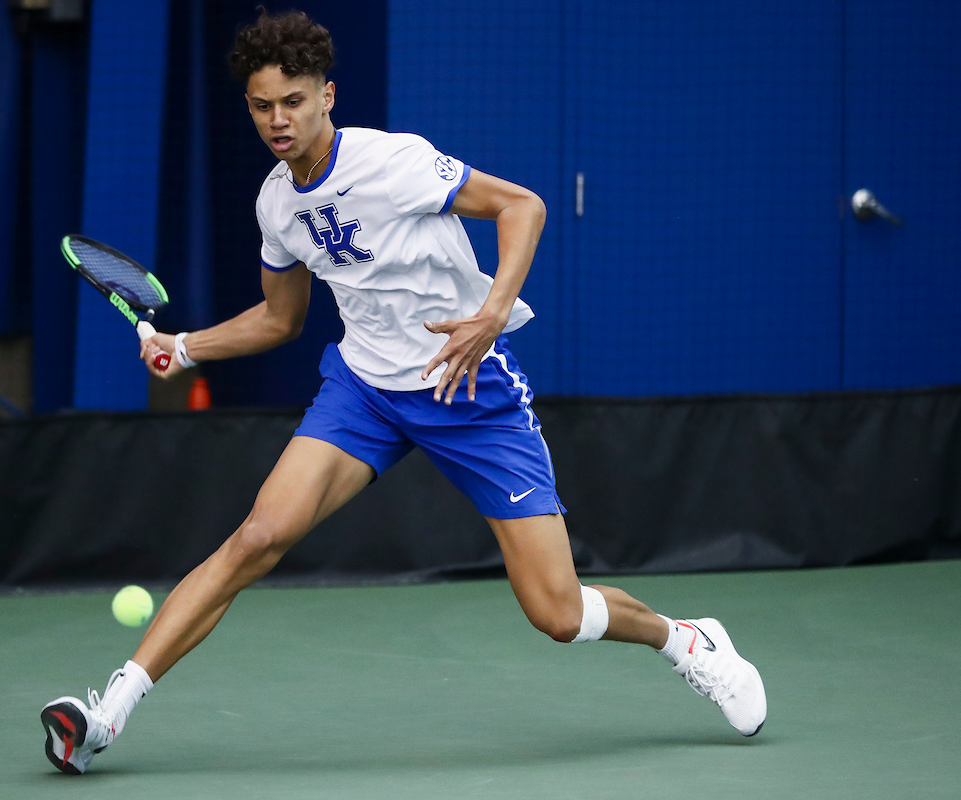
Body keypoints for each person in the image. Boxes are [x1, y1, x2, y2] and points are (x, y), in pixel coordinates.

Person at [40, 9, 766, 775]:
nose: (278, 120)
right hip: (365, 391)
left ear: (327, 95)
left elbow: (523, 206)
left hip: (469, 389)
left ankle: (685, 639)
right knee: (256, 538)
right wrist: (185, 347)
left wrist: (490, 316)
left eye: (293, 100)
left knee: (556, 612)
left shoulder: (396, 164)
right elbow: (282, 319)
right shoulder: (275, 204)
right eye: (261, 106)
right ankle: (106, 716)